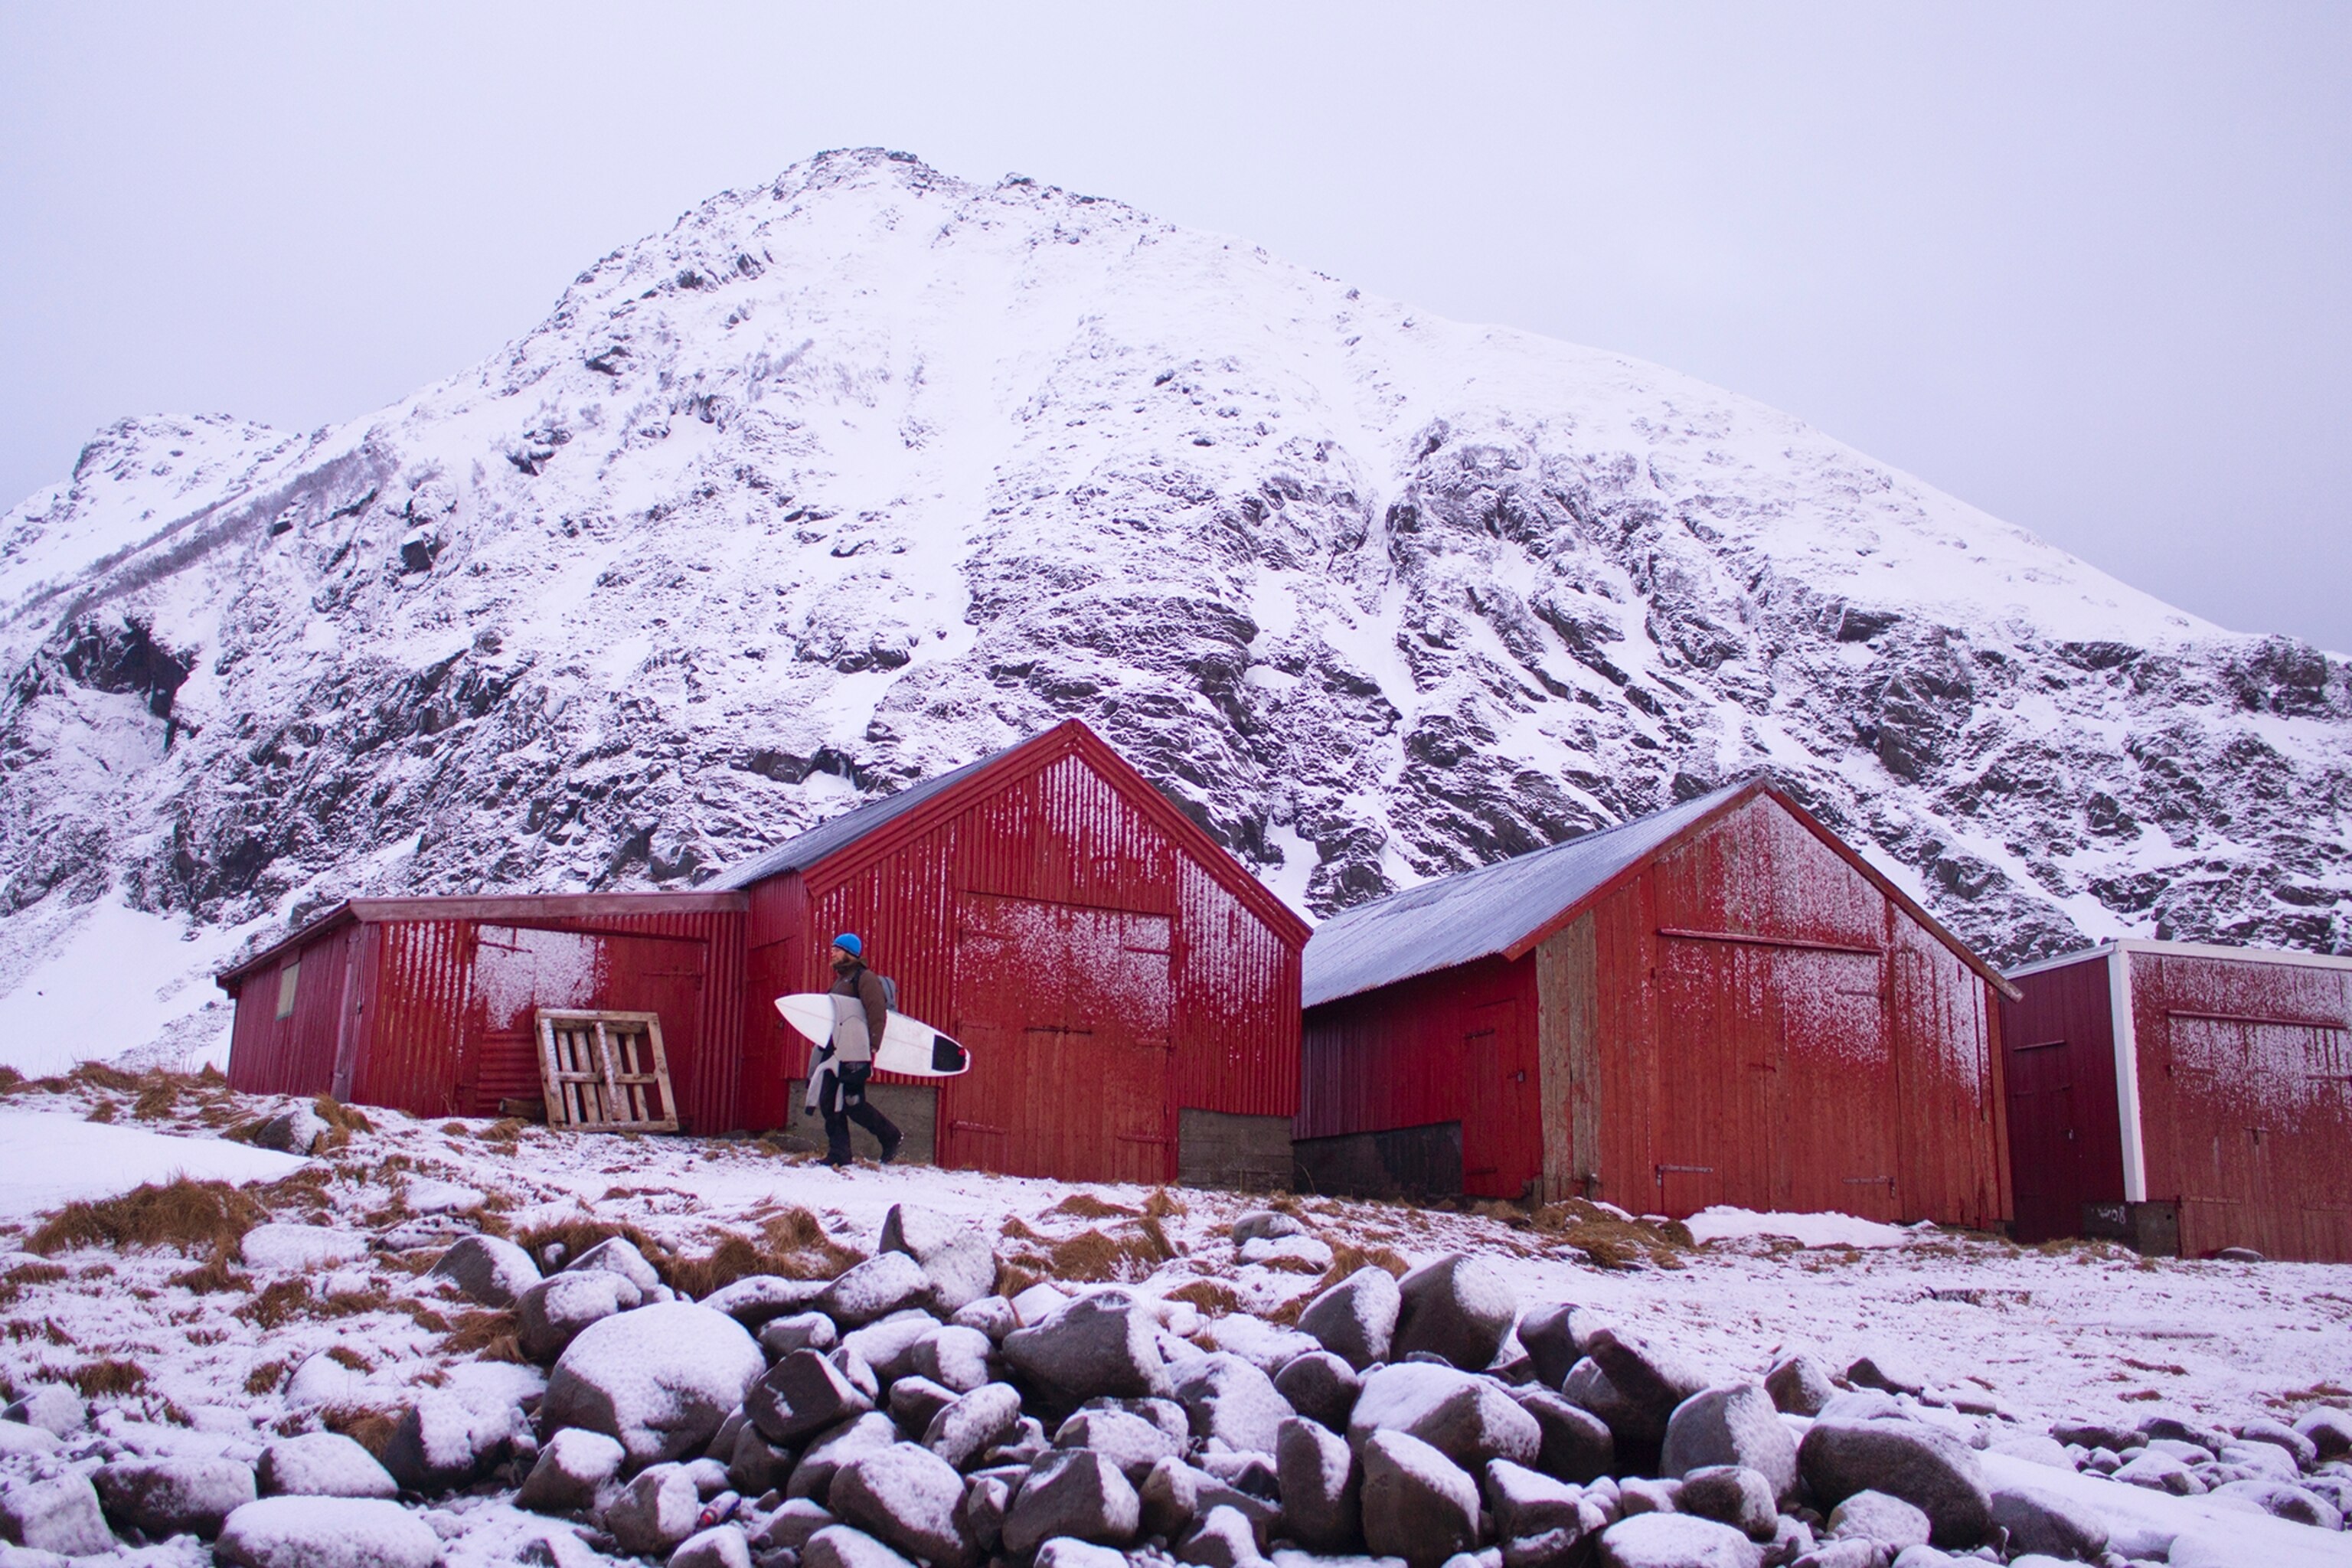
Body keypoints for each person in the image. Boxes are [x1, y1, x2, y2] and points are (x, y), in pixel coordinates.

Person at [805, 932, 903, 1168]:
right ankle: (839, 1154)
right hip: (834, 1051)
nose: (833, 953)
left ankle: (891, 1136)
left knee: (853, 1103)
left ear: (850, 953)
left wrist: (874, 1044)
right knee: (829, 1101)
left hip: (853, 1053)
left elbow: (876, 1010)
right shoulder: (840, 981)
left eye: (837, 949)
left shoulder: (864, 978)